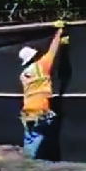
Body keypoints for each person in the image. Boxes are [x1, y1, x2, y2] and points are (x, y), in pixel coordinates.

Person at [18, 20, 69, 160]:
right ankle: (33, 167)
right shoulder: (41, 66)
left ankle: (27, 164)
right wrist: (59, 32)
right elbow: (52, 50)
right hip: (41, 111)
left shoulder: (23, 74)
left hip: (27, 112)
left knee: (30, 139)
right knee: (40, 141)